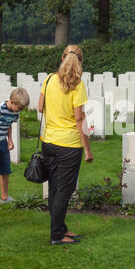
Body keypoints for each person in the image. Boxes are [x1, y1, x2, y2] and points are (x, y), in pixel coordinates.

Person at [38, 45, 94, 245]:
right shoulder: (78, 85)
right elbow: (79, 119)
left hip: (49, 141)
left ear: (62, 58)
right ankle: (56, 235)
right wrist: (87, 148)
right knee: (64, 190)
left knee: (54, 188)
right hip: (69, 144)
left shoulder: (49, 79)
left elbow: (39, 106)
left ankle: (60, 229)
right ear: (80, 61)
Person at [0, 88, 30, 210]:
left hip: (3, 142)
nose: (20, 111)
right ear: (12, 102)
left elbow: (9, 124)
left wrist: (10, 139)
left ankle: (4, 197)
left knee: (6, 170)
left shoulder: (15, 111)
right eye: (20, 108)